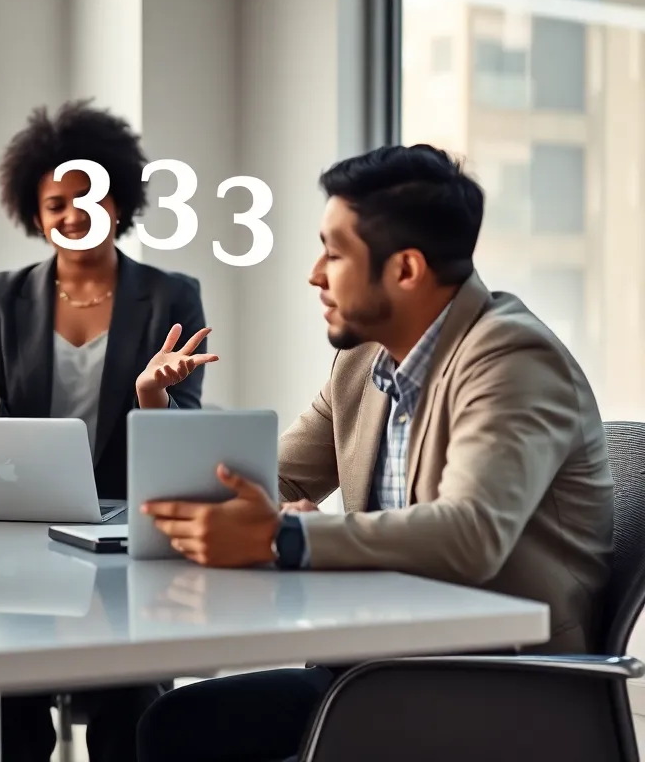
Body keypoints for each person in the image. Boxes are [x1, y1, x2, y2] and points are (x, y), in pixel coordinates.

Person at [135, 144, 614, 762]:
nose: (314, 274)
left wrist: (288, 540)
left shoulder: (512, 359)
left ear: (406, 270)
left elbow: (472, 533)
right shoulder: (364, 358)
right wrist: (155, 410)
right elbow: (266, 480)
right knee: (173, 727)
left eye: (334, 253)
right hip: (376, 671)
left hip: (498, 686)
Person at [0, 100, 215, 762]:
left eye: (88, 193)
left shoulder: (172, 296)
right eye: (55, 203)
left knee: (133, 705)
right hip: (27, 542)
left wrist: (150, 398)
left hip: (127, 543)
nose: (73, 213)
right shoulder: (0, 297)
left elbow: (182, 442)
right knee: (7, 705)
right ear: (35, 214)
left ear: (118, 198)